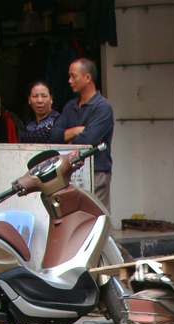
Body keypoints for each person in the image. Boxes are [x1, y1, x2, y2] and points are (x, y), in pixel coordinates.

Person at [50, 58, 114, 211]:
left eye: (73, 76)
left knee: (96, 215)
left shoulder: (102, 107)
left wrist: (69, 140)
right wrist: (76, 131)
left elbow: (88, 140)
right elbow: (54, 135)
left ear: (87, 77)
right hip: (72, 171)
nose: (70, 81)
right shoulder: (70, 106)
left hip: (96, 170)